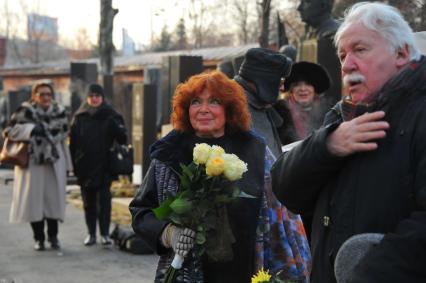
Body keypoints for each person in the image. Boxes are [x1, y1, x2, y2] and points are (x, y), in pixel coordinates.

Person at [271, 2, 426, 282]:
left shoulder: (420, 114)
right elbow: (285, 189)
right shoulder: (342, 116)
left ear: (401, 53)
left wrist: (367, 273)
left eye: (360, 50)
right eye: (342, 55)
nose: (347, 65)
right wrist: (326, 146)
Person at [129, 71, 311, 283]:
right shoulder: (169, 153)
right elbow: (141, 212)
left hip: (246, 271)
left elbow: (281, 213)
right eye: (196, 102)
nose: (204, 109)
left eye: (214, 102)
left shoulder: (255, 149)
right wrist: (169, 233)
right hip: (186, 274)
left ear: (229, 109)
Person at [3, 81, 71, 251]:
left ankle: (53, 237)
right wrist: (31, 129)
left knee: (53, 203)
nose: (46, 97)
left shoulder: (60, 112)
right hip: (31, 163)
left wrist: (68, 165)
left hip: (54, 162)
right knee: (34, 203)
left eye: (48, 94)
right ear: (34, 96)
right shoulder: (24, 111)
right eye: (42, 94)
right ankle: (39, 238)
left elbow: (63, 140)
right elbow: (9, 131)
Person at [69, 83, 127, 246]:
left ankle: (105, 234)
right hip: (85, 166)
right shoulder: (79, 117)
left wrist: (117, 127)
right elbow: (72, 144)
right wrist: (74, 165)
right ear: (87, 98)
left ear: (102, 98)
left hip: (105, 165)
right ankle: (91, 234)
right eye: (91, 96)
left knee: (104, 202)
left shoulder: (111, 115)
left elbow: (123, 139)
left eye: (97, 96)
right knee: (88, 203)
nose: (94, 99)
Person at [234, 47, 292, 159]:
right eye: (280, 81)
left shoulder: (259, 101)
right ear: (263, 80)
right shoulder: (233, 105)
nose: (283, 87)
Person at [275, 61, 331, 146]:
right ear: (291, 90)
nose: (303, 89)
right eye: (297, 85)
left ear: (315, 89)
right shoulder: (278, 112)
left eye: (308, 84)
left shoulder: (327, 112)